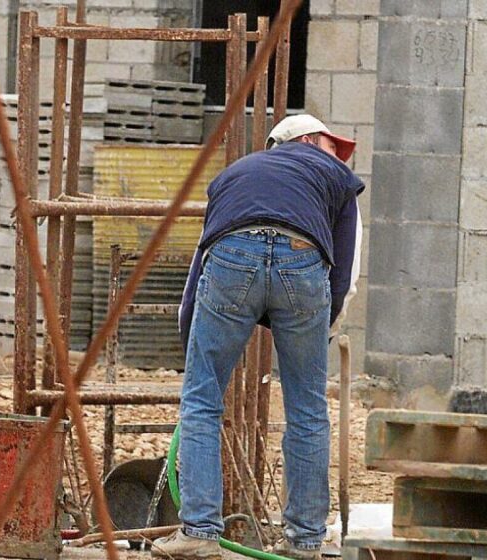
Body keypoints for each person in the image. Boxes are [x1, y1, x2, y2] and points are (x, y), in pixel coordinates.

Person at [152, 114, 364, 560]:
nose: (336, 154)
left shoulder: (237, 175)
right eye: (330, 144)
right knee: (307, 407)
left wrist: (192, 341)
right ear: (305, 139)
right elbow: (343, 267)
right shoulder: (336, 178)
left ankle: (199, 534)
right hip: (304, 260)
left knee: (201, 401)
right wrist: (321, 327)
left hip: (232, 254)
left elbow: (203, 260)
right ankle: (305, 541)